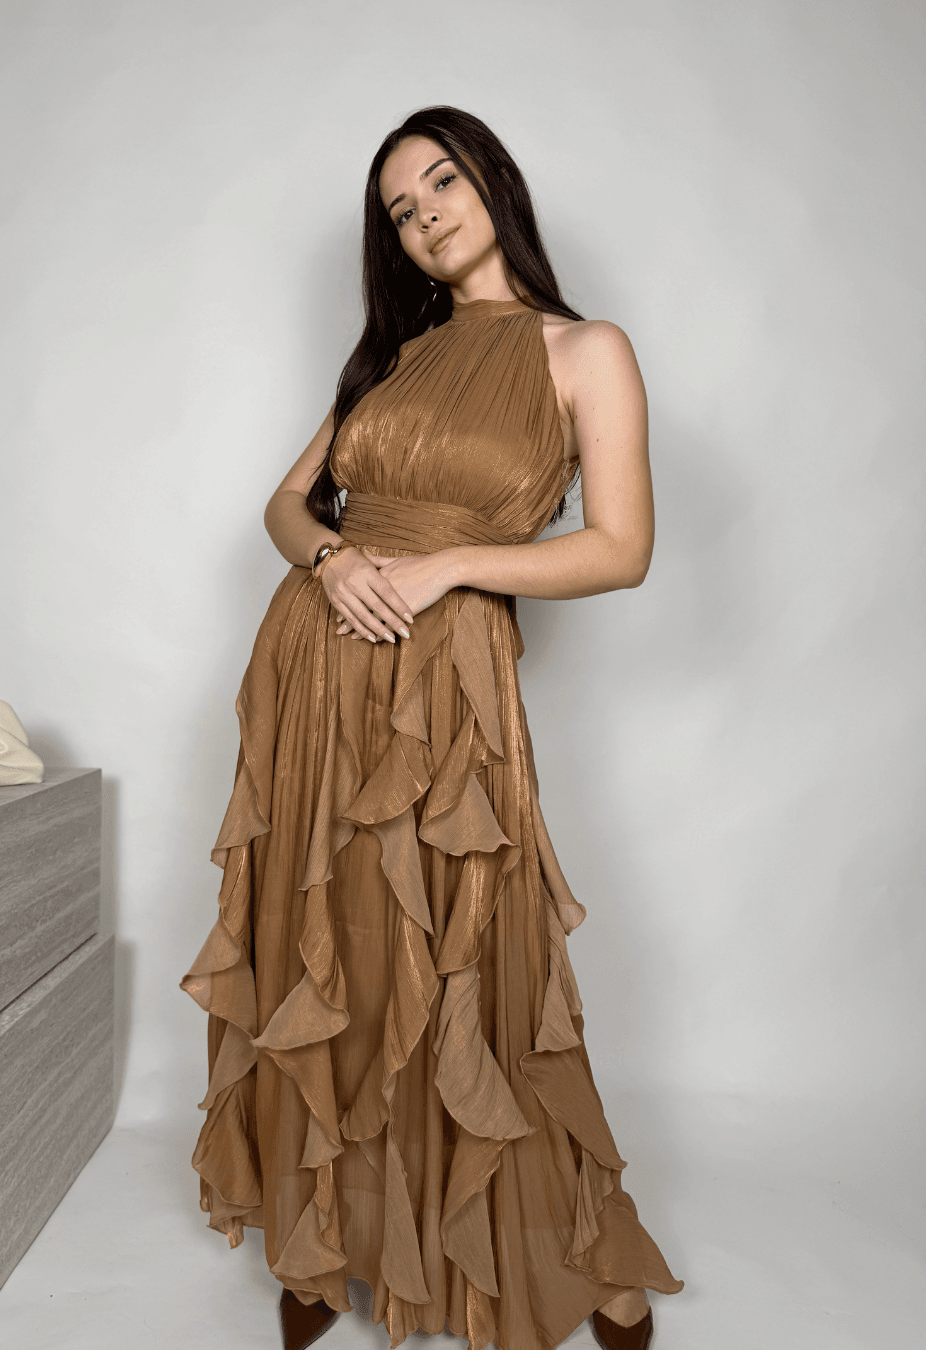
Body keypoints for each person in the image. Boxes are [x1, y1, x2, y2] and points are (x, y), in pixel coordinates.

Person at [181, 105, 684, 1350]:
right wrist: (331, 559)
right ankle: (326, 1239)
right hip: (314, 673)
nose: (424, 219)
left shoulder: (587, 350)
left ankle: (578, 1252)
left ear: (493, 182)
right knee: (329, 946)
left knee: (468, 951)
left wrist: (454, 563)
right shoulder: (391, 358)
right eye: (401, 213)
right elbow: (284, 505)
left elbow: (621, 549)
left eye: (441, 183)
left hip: (450, 681)